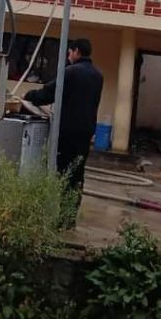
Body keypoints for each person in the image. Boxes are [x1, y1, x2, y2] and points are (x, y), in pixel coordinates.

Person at [24, 38, 103, 227]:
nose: (69, 55)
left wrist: (29, 97)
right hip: (86, 132)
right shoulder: (98, 76)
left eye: (70, 52)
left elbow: (49, 93)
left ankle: (54, 215)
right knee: (77, 174)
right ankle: (69, 217)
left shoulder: (71, 72)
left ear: (76, 51)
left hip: (67, 131)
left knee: (59, 171)